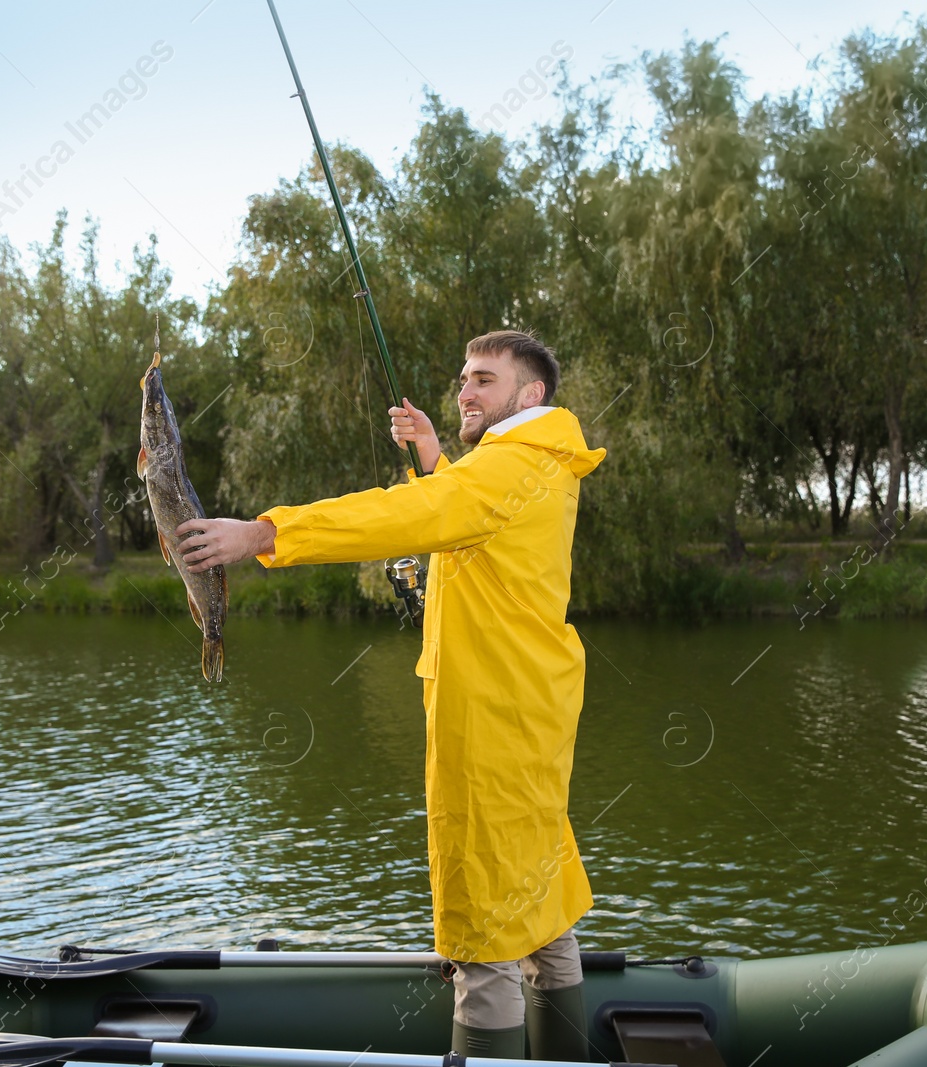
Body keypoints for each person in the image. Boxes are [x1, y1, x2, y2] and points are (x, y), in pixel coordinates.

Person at [176, 329, 606, 1060]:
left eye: (485, 381)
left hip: (492, 725)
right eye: (463, 379)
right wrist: (438, 459)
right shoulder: (533, 463)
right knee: (542, 904)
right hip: (532, 717)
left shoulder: (504, 473)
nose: (465, 391)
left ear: (529, 396)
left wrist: (264, 532)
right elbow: (462, 514)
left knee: (485, 936)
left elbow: (400, 516)